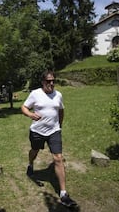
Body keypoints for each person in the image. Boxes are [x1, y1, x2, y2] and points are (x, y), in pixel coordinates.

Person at [21, 70, 77, 208]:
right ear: (43, 82)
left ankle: (63, 194)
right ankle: (30, 164)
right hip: (37, 131)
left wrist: (60, 125)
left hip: (54, 131)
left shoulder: (58, 95)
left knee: (58, 158)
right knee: (34, 151)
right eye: (48, 81)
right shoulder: (35, 93)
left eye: (53, 81)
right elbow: (23, 107)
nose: (51, 84)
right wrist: (30, 115)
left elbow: (61, 110)